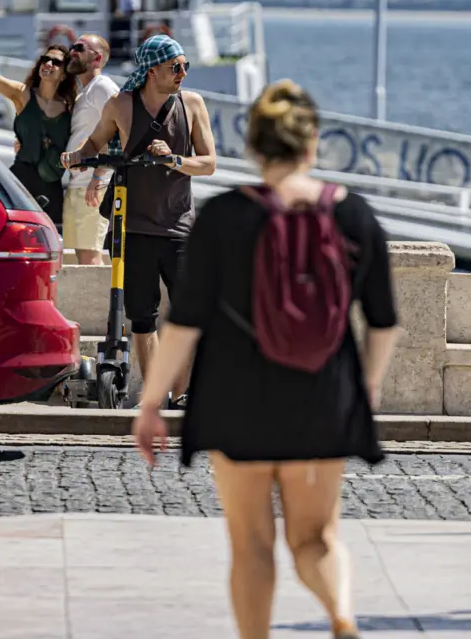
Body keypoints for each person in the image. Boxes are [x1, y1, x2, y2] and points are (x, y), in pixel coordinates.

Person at [133, 79, 401, 639]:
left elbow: (183, 323)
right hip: (324, 397)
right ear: (313, 144)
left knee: (251, 543)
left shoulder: (225, 217)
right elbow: (382, 321)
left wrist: (152, 402)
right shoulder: (354, 216)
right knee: (317, 538)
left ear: (253, 147)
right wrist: (366, 391)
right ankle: (341, 616)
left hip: (236, 399)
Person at [61, 34, 216, 404]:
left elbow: (209, 164)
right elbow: (96, 143)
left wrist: (174, 160)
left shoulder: (192, 104)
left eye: (184, 66)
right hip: (134, 229)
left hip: (179, 228)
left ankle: (183, 394)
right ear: (151, 71)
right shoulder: (122, 105)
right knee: (142, 321)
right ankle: (156, 395)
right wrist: (77, 156)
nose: (182, 73)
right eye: (173, 67)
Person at [0, 15, 75, 227]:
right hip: (20, 181)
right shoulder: (23, 94)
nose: (48, 64)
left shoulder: (70, 106)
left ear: (63, 73)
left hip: (52, 184)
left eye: (56, 62)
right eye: (45, 59)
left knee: (50, 237)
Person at [62, 34, 119, 265]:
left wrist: (98, 176)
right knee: (80, 256)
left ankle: (102, 303)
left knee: (89, 257)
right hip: (78, 183)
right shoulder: (84, 92)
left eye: (79, 48)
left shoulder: (102, 87)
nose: (72, 51)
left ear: (96, 59)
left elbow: (117, 130)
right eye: (72, 47)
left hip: (92, 185)